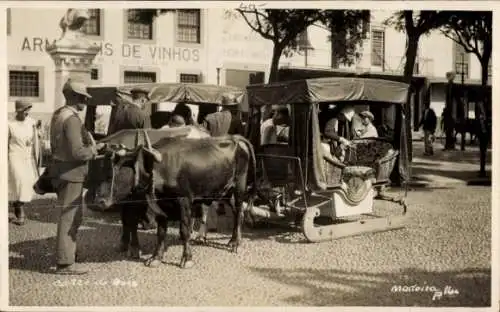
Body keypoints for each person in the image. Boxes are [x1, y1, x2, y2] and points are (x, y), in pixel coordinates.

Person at [48, 79, 103, 275]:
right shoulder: (72, 119)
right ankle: (65, 263)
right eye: (83, 98)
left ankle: (69, 254)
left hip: (61, 171)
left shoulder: (58, 114)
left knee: (72, 216)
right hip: (72, 173)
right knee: (69, 218)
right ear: (74, 97)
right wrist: (94, 150)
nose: (85, 102)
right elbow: (78, 152)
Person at [8, 100, 41, 226]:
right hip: (14, 156)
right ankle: (20, 214)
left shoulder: (32, 123)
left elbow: (36, 140)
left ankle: (17, 206)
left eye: (28, 110)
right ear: (19, 110)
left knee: (26, 183)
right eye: (25, 110)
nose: (27, 112)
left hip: (27, 157)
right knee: (19, 182)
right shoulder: (10, 124)